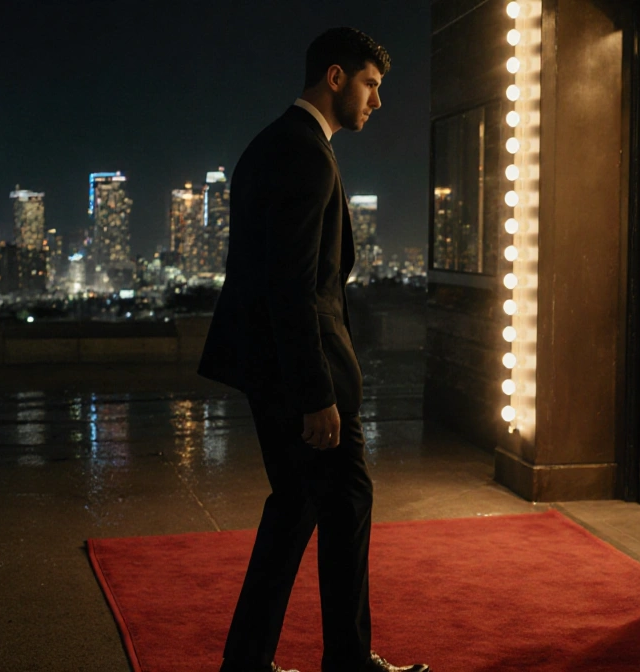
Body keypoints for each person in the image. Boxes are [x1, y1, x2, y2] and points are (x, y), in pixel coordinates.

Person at [197, 26, 430, 672]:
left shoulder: (267, 146)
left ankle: (246, 661)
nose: (377, 102)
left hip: (268, 369)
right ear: (335, 77)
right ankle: (348, 664)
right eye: (371, 85)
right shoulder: (305, 153)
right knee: (348, 503)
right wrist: (317, 396)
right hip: (306, 378)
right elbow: (295, 286)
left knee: (296, 507)